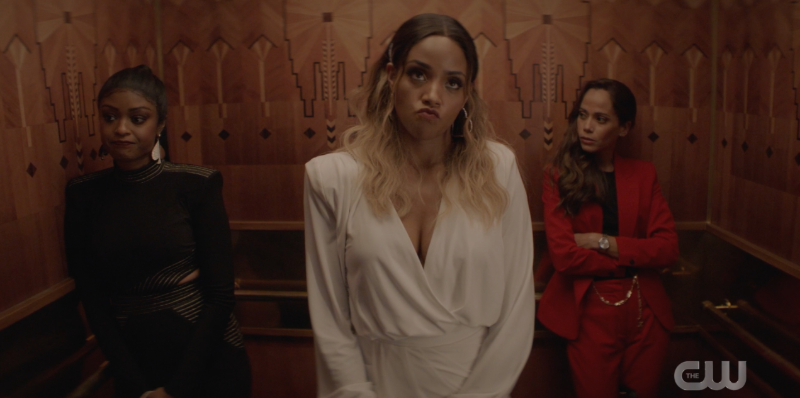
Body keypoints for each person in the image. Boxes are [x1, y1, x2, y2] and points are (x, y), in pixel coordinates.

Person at [304, 14, 535, 398]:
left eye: (452, 82)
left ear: (466, 95)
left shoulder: (498, 170)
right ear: (391, 75)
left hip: (477, 384)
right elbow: (330, 316)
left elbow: (516, 309)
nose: (433, 94)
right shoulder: (331, 178)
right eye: (418, 74)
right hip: (375, 384)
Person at [64, 65, 251, 398]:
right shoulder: (82, 194)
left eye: (137, 119)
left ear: (160, 125)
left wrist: (176, 389)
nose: (121, 129)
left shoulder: (197, 184)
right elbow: (91, 298)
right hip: (134, 364)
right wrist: (135, 384)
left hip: (209, 362)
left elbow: (221, 295)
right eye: (109, 117)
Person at [537, 78, 679, 398]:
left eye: (600, 119)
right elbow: (564, 255)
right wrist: (632, 261)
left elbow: (668, 249)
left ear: (624, 128)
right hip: (589, 308)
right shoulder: (558, 175)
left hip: (646, 311)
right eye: (582, 116)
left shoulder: (643, 175)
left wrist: (604, 242)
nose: (586, 127)